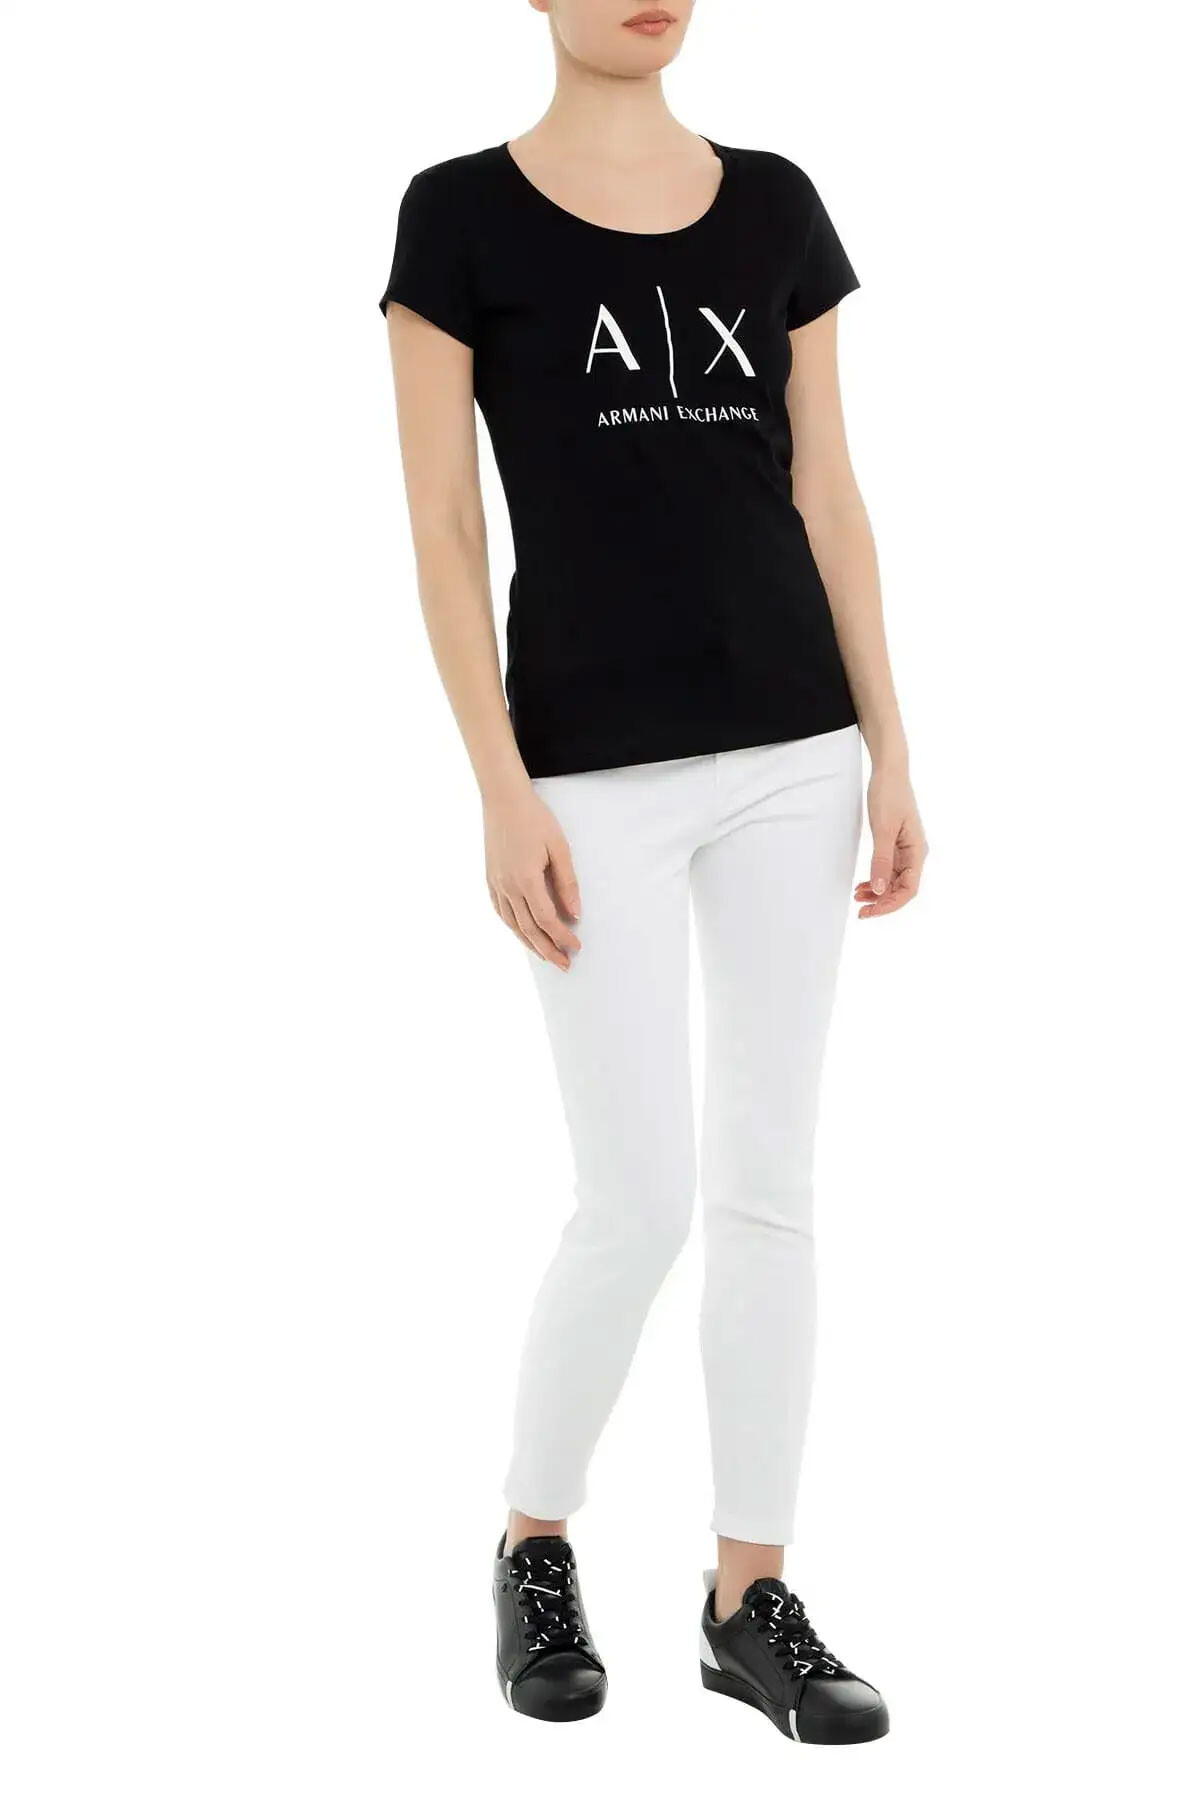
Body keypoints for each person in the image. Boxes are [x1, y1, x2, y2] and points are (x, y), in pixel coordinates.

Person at [381, 0, 925, 1745]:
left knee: (771, 1185)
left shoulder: (776, 202)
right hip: (585, 773)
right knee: (635, 1198)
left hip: (793, 754)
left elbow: (830, 494)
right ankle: (534, 1543)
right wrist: (497, 784)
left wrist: (891, 749)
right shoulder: (458, 214)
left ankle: (748, 1598)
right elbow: (445, 522)